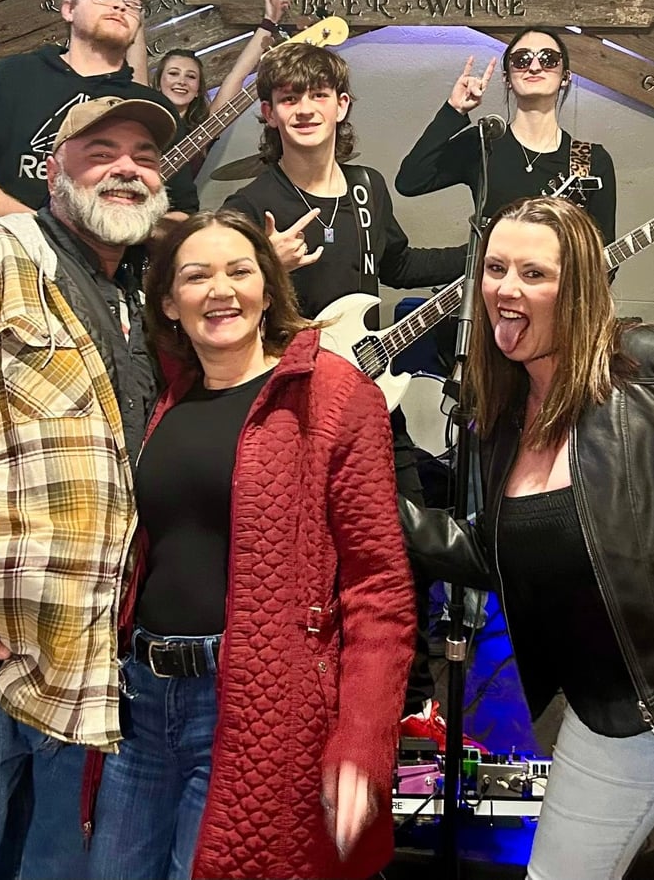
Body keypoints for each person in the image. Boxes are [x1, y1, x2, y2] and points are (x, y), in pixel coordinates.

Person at [83, 208, 415, 880]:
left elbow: (378, 586)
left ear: (267, 287)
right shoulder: (166, 399)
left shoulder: (331, 395)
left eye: (239, 271)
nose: (221, 290)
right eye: (196, 276)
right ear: (168, 303)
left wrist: (363, 737)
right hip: (139, 702)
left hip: (250, 705)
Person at [402, 196, 654, 880]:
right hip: (608, 712)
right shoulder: (503, 416)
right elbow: (499, 552)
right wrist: (373, 511)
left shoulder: (652, 367)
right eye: (495, 268)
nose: (505, 289)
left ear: (578, 287)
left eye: (533, 273)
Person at [223, 42, 469, 744]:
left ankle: (412, 701)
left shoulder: (368, 187)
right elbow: (223, 315)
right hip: (293, 410)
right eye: (288, 97)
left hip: (372, 402)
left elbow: (398, 263)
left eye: (317, 94)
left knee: (409, 545)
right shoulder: (249, 205)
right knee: (308, 558)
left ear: (341, 105)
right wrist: (260, 266)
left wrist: (479, 250)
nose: (304, 108)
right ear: (268, 113)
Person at [0, 95, 176, 880]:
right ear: (53, 172)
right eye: (101, 151)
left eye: (144, 156)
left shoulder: (141, 298)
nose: (127, 168)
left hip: (92, 672)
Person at [0, 0, 197, 221]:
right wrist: (43, 232)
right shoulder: (13, 75)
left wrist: (121, 231)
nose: (119, 5)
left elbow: (182, 212)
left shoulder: (153, 109)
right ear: (69, 9)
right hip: (8, 242)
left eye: (132, 3)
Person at [395, 26, 617, 243]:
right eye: (522, 59)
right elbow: (410, 181)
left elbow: (603, 252)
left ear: (565, 77)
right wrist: (454, 110)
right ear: (506, 78)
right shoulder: (483, 143)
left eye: (548, 59)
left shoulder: (593, 161)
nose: (534, 67)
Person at [150, 0, 290, 176]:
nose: (181, 81)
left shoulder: (205, 126)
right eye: (173, 73)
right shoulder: (143, 123)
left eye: (191, 76)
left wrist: (268, 23)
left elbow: (237, 75)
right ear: (158, 83)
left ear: (198, 90)